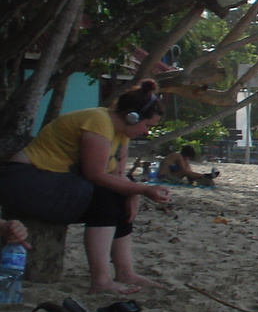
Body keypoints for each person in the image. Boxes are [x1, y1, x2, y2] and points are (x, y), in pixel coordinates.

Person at [0, 79, 173, 294]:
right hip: (26, 180)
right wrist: (142, 190)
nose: (147, 132)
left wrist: (132, 193)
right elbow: (95, 175)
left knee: (116, 197)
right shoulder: (98, 122)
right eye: (147, 125)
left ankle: (124, 271)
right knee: (103, 196)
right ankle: (101, 280)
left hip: (55, 182)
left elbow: (118, 176)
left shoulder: (121, 134)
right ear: (132, 116)